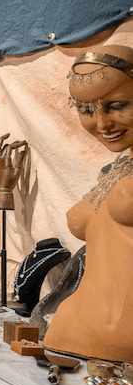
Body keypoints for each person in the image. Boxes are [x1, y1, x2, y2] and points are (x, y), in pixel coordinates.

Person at [43, 45, 133, 364]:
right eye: (86, 110)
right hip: (67, 332)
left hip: (119, 349)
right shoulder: (117, 170)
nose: (102, 124)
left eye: (116, 106)